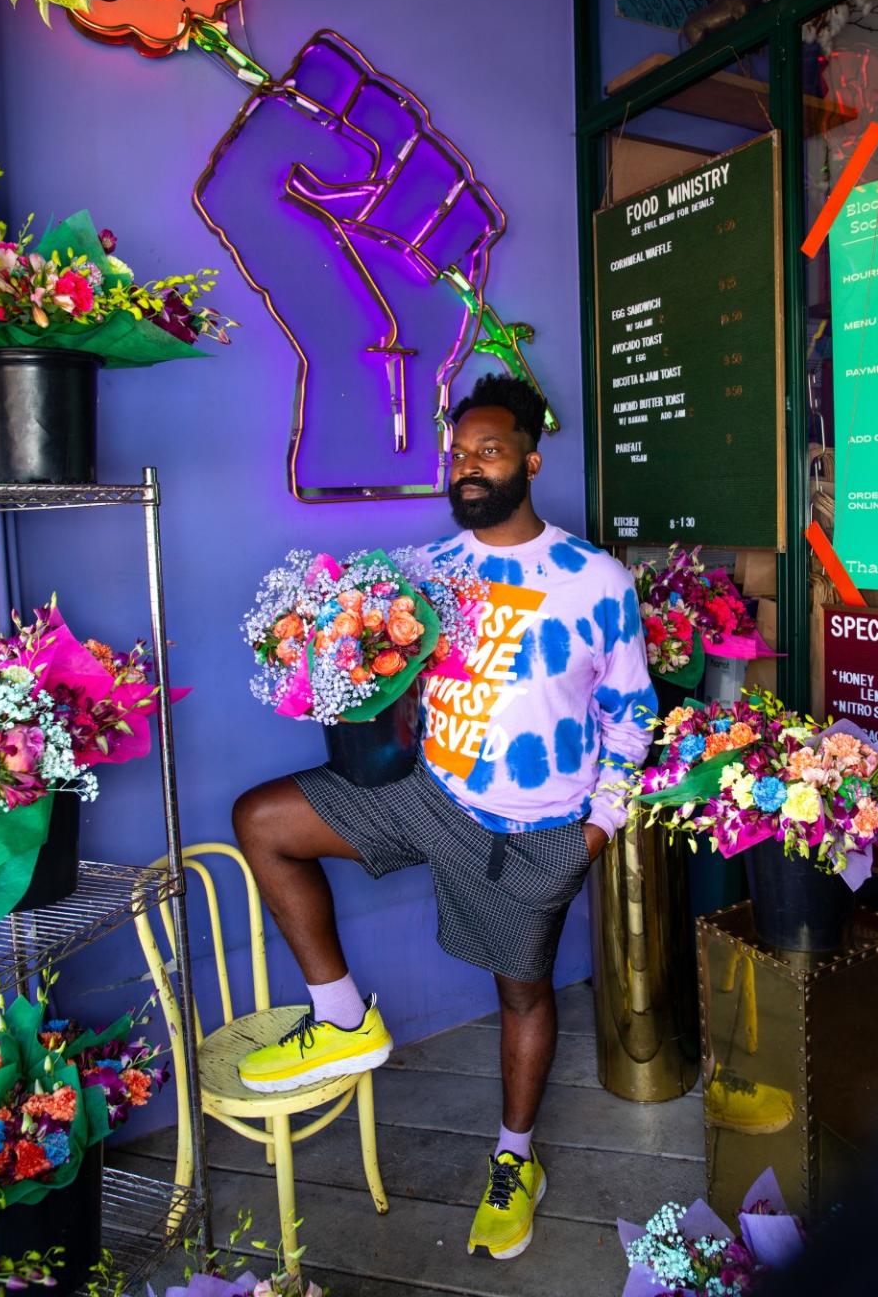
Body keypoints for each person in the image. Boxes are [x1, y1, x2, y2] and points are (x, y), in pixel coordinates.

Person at [232, 373, 655, 1261]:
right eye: (459, 455)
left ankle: (514, 1159)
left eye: (488, 452)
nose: (467, 469)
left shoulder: (594, 579)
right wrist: (331, 666)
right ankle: (343, 1016)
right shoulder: (427, 570)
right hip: (425, 796)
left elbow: (632, 715)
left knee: (521, 992)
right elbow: (381, 680)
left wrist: (598, 826)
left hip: (528, 827)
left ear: (531, 461)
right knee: (265, 820)